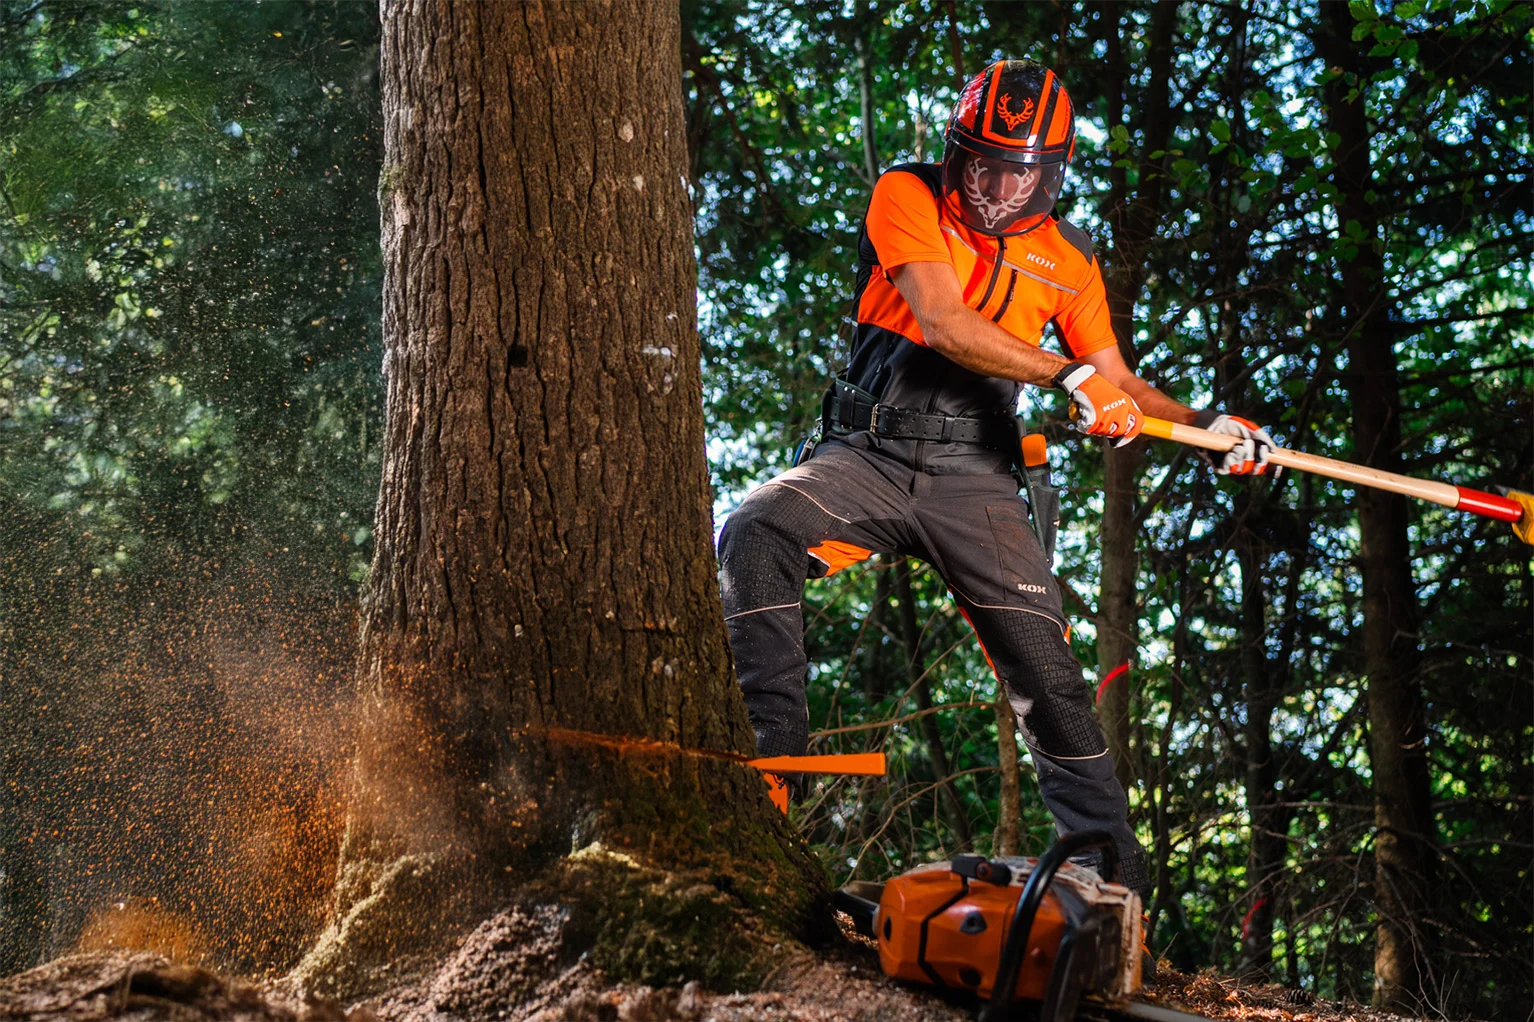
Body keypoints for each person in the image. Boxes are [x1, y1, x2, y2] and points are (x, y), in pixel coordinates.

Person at [717, 59, 1276, 897]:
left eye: (1020, 171)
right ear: (956, 152)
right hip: (866, 453)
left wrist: (1209, 428)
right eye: (980, 163)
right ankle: (766, 778)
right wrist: (1065, 377)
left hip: (975, 477)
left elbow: (1115, 381)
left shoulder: (1071, 262)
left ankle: (1108, 879)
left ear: (1052, 172)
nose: (996, 186)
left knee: (1046, 670)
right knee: (758, 528)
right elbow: (943, 322)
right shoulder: (906, 195)